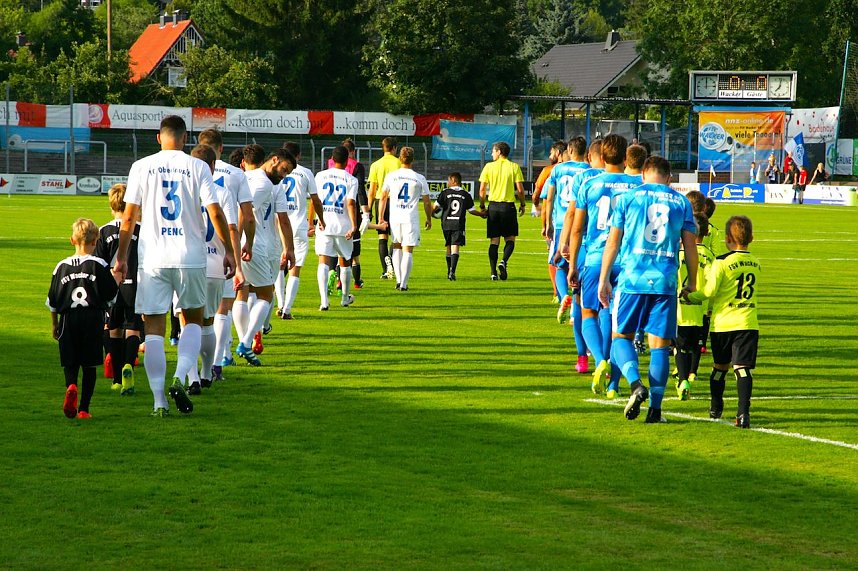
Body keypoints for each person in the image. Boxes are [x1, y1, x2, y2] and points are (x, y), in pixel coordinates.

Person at [114, 115, 236, 417]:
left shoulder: (141, 166)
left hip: (153, 258)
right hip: (191, 257)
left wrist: (120, 256)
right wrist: (228, 251)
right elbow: (215, 212)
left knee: (153, 329)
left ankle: (158, 402)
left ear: (159, 137)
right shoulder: (197, 166)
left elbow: (128, 218)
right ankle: (181, 376)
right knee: (193, 320)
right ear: (184, 139)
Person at [598, 156, 698, 424]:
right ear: (669, 177)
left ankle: (634, 385)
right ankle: (655, 411)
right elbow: (690, 246)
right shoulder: (682, 202)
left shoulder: (628, 199)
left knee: (621, 337)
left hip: (632, 278)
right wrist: (692, 281)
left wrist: (604, 279)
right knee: (659, 347)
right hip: (665, 282)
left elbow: (613, 242)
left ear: (643, 174)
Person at [568, 135, 642, 397]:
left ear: (600, 156)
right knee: (619, 326)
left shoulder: (590, 184)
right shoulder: (638, 185)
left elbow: (577, 230)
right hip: (628, 262)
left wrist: (573, 265)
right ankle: (613, 385)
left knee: (588, 311)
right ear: (625, 157)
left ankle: (599, 360)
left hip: (596, 258)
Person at [684, 216, 760, 428]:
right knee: (742, 369)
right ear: (751, 238)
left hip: (723, 323)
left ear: (727, 238)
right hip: (747, 323)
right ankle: (743, 413)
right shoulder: (756, 263)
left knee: (720, 368)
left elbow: (709, 291)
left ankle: (716, 406)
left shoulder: (722, 262)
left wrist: (690, 296)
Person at [176, 144, 240, 395]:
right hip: (215, 262)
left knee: (185, 321)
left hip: (187, 261)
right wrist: (231, 254)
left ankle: (191, 377)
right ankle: (205, 372)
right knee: (207, 322)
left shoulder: (182, 190)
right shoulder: (222, 193)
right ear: (213, 166)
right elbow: (232, 227)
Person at [198, 128, 255, 382]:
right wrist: (243, 246)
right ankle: (217, 362)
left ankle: (190, 370)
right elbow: (244, 215)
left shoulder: (189, 170)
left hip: (189, 250)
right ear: (220, 148)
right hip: (222, 247)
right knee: (221, 309)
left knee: (190, 315)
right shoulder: (235, 174)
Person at [48, 218, 119, 419]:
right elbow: (111, 296)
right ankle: (84, 409)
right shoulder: (99, 264)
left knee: (70, 362)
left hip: (68, 319)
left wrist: (54, 323)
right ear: (96, 241)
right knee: (89, 365)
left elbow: (52, 300)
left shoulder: (60, 266)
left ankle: (71, 384)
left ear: (72, 240)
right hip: (93, 318)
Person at [232, 145, 296, 366]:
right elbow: (245, 214)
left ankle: (230, 350)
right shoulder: (263, 183)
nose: (284, 175)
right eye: (284, 169)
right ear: (274, 159)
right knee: (266, 296)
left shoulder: (246, 178)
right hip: (257, 247)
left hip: (248, 245)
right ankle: (245, 342)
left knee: (241, 295)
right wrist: (242, 242)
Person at [558, 140, 605, 374]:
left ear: (590, 156)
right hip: (615, 253)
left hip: (587, 248)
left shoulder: (585, 179)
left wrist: (563, 244)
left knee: (582, 305)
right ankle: (606, 356)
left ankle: (583, 358)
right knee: (607, 306)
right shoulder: (623, 179)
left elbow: (571, 215)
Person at [94, 183, 142, 396]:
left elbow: (99, 264)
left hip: (113, 286)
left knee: (113, 328)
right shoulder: (140, 229)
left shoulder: (104, 231)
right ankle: (128, 367)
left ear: (111, 205)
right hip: (136, 283)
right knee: (133, 327)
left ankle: (115, 379)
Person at [277, 142, 324, 320]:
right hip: (298, 225)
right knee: (295, 268)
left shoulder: (276, 171)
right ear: (298, 156)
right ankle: (287, 310)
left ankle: (280, 303)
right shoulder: (305, 172)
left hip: (279, 223)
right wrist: (321, 219)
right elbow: (315, 199)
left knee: (279, 265)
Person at [544, 136, 589, 322]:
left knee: (559, 265)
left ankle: (564, 297)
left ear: (569, 151)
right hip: (581, 224)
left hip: (562, 223)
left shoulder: (558, 169)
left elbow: (550, 197)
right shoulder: (589, 170)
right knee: (579, 265)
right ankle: (575, 309)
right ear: (585, 152)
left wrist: (548, 224)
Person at [379, 146, 433, 291]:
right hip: (410, 217)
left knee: (396, 246)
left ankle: (398, 280)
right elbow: (427, 201)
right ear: (413, 160)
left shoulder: (392, 176)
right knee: (408, 250)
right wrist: (429, 218)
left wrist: (380, 217)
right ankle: (403, 283)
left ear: (400, 158)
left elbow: (383, 197)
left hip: (395, 217)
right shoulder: (419, 178)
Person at [675, 212, 715, 400]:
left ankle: (683, 379)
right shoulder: (710, 256)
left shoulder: (679, 254)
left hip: (679, 309)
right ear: (706, 233)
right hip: (700, 308)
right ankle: (692, 373)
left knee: (679, 347)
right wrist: (710, 306)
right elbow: (713, 284)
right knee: (695, 345)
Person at [314, 145, 359, 309]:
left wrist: (315, 219)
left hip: (324, 223)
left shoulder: (320, 176)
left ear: (331, 160)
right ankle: (345, 298)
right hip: (343, 225)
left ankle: (324, 301)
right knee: (345, 260)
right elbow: (351, 203)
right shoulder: (351, 179)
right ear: (347, 161)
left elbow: (315, 199)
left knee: (323, 261)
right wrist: (354, 225)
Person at [478, 141, 526, 281]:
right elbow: (520, 190)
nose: (492, 154)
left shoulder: (489, 167)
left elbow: (482, 189)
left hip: (493, 207)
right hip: (508, 207)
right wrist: (522, 204)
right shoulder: (514, 167)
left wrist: (482, 206)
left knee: (494, 241)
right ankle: (504, 261)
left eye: (493, 151)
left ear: (499, 152)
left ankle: (493, 273)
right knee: (510, 239)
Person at [434, 172, 485, 280]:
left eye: (449, 180)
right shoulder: (465, 194)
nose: (448, 183)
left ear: (454, 180)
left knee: (448, 246)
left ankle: (449, 271)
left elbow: (435, 207)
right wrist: (481, 214)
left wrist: (430, 215)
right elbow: (471, 210)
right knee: (455, 247)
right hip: (458, 224)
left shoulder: (445, 192)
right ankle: (452, 271)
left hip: (446, 224)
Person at [366, 137, 401, 279]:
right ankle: (392, 264)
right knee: (397, 237)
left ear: (383, 148)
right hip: (395, 202)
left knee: (382, 236)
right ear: (394, 148)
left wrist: (368, 209)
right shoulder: (399, 163)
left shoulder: (375, 165)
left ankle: (386, 270)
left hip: (380, 201)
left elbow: (372, 190)